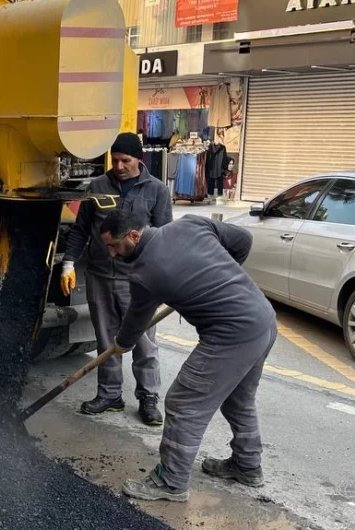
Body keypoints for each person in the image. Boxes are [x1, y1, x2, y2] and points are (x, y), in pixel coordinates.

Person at [98, 210, 277, 502]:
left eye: (115, 246)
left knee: (184, 404)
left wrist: (121, 345)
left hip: (231, 334)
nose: (112, 254)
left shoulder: (144, 274)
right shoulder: (191, 223)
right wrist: (221, 275)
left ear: (134, 235)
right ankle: (247, 466)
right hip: (262, 319)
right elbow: (243, 239)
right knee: (238, 399)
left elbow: (135, 322)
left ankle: (171, 481)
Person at [59, 132, 172, 425]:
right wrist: (68, 263)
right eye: (115, 160)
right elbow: (81, 229)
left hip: (139, 280)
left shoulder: (157, 190)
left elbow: (164, 237)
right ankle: (110, 395)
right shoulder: (97, 186)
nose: (119, 166)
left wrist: (162, 279)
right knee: (107, 340)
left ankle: (148, 398)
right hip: (100, 276)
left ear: (139, 160)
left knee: (144, 343)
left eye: (125, 160)